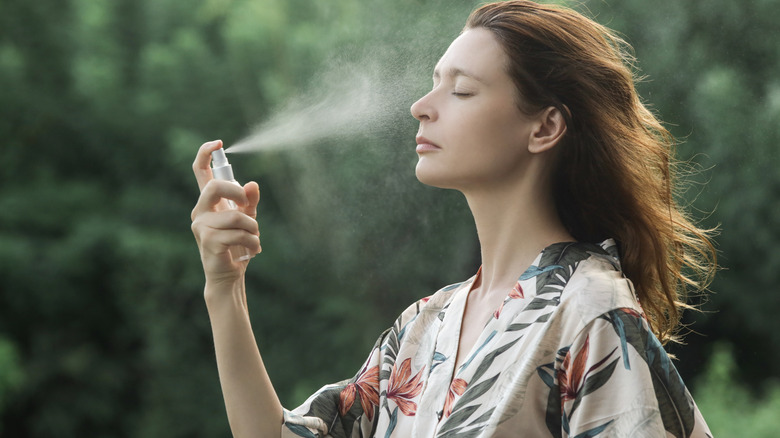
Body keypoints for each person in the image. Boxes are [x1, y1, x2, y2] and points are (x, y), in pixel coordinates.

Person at [190, 1, 717, 437]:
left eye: (461, 91)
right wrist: (225, 288)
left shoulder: (592, 312)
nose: (422, 105)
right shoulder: (422, 327)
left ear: (545, 127)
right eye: (432, 83)